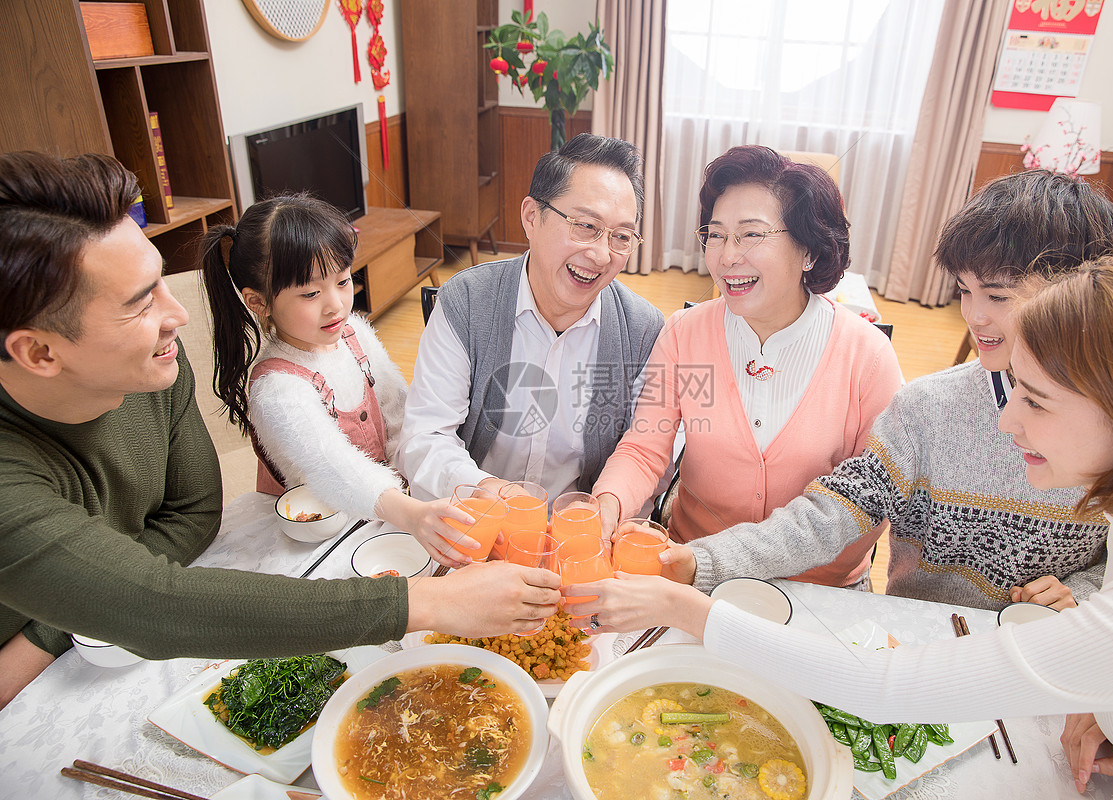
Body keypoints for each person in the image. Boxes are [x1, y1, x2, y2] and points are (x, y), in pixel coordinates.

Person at [572, 258, 1113, 799]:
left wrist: (680, 607)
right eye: (715, 231)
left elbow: (883, 687)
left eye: (1035, 400)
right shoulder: (689, 333)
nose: (1006, 424)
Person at [0, 152, 560, 708]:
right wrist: (97, 596)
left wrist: (86, 593)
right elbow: (154, 605)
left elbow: (194, 516)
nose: (180, 316)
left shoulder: (157, 371)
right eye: (141, 301)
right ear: (38, 352)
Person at [655, 169, 1113, 611]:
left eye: (998, 296)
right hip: (917, 640)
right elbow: (839, 511)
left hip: (1054, 659)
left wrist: (1084, 593)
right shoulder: (927, 408)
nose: (974, 316)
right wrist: (703, 562)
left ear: (1085, 293)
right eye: (964, 291)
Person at [591, 145, 903, 588]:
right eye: (715, 235)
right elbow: (645, 448)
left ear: (809, 250)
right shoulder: (686, 334)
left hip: (818, 590)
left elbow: (867, 504)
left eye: (751, 235)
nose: (726, 256)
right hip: (689, 570)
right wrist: (607, 505)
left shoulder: (867, 357)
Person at [199, 193, 472, 567]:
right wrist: (410, 513)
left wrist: (431, 480)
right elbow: (335, 469)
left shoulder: (354, 334)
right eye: (311, 293)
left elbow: (400, 421)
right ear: (259, 302)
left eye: (343, 281)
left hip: (386, 509)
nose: (336, 305)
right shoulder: (276, 387)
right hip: (319, 531)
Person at [399, 133, 665, 503]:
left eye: (621, 236)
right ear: (531, 217)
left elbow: (646, 451)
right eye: (586, 226)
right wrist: (488, 492)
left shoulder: (643, 330)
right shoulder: (467, 302)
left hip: (578, 536)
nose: (602, 255)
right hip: (478, 517)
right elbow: (425, 437)